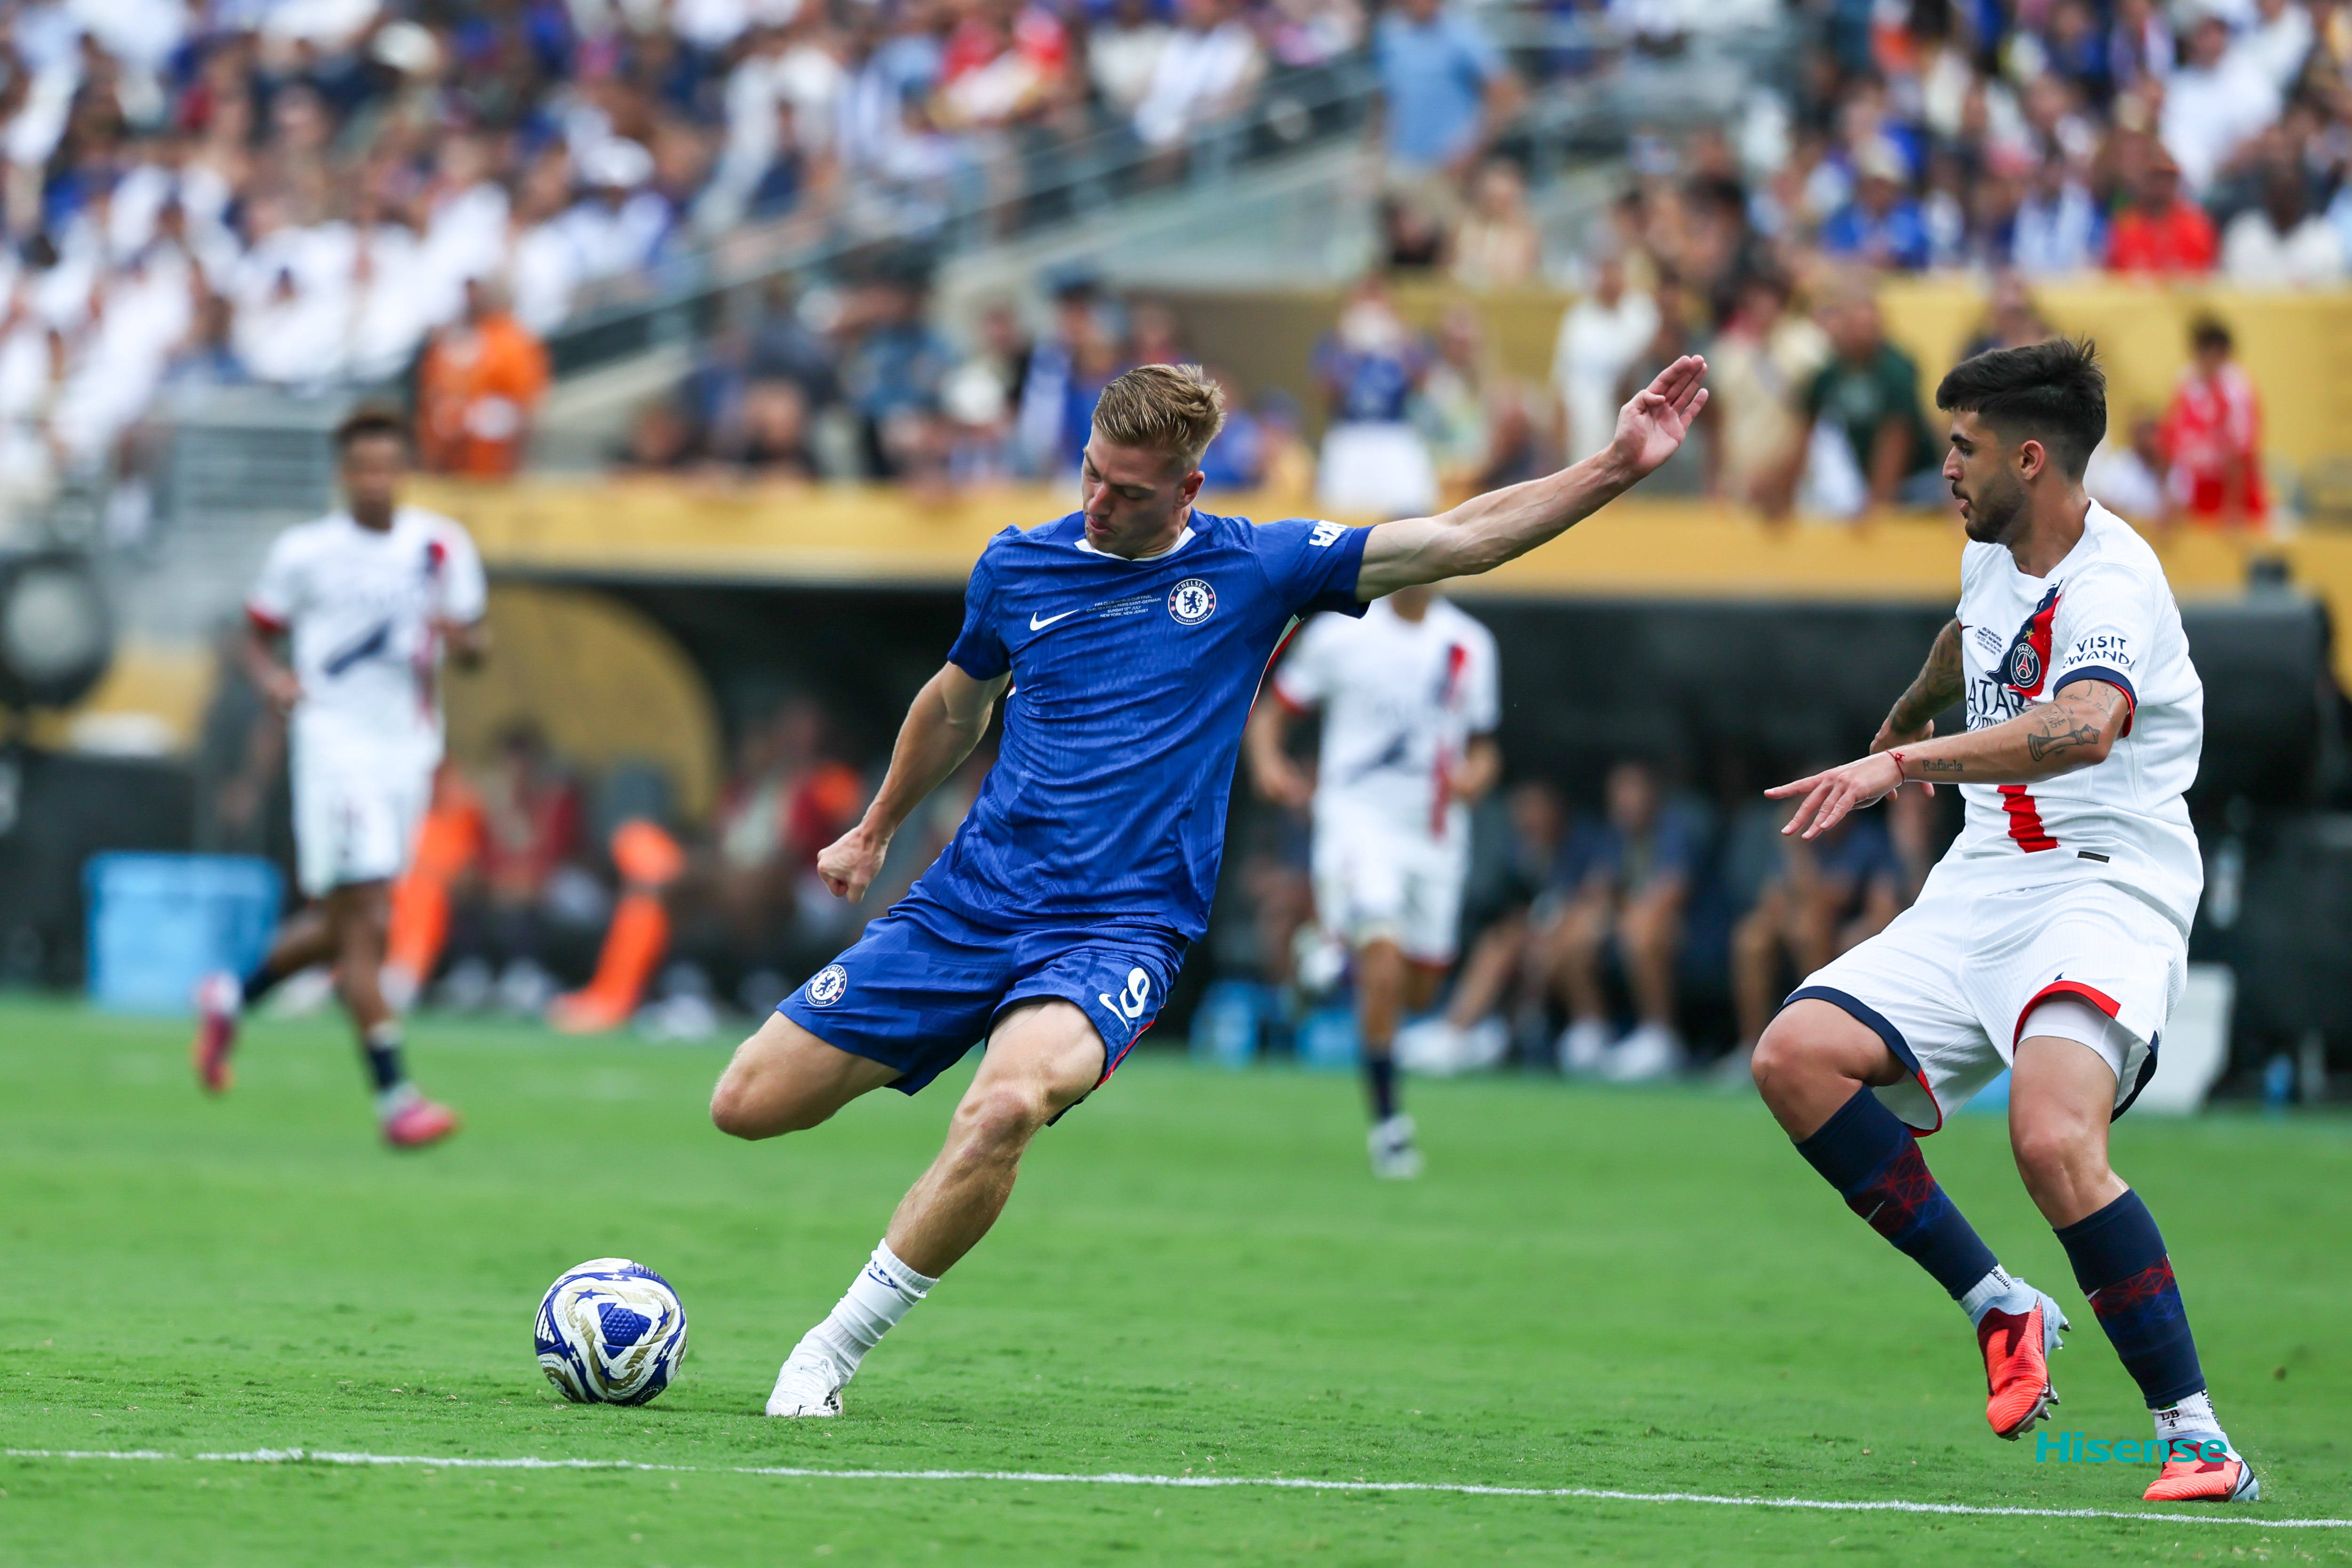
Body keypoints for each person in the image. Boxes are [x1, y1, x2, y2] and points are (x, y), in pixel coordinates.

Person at [707, 354, 1708, 1418]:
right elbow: (956, 705)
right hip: (972, 902)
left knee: (1005, 1107)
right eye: (1091, 473)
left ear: (1188, 489)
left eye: (1128, 490)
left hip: (1119, 929)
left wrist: (1612, 466)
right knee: (747, 1105)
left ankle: (827, 1353)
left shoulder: (1261, 568)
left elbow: (1455, 538)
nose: (1097, 501)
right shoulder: (1017, 567)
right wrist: (875, 829)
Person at [1752, 339, 2256, 1505]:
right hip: (1988, 880)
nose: (1944, 467)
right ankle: (2000, 1305)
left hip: (2104, 882)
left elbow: (2083, 725)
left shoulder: (2114, 583)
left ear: (2031, 459)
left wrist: (1904, 767)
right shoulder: (1996, 553)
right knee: (1794, 1057)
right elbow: (1962, 644)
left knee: (2049, 1139)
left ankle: (2195, 1437)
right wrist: (1897, 728)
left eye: (1962, 448)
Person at [192, 409, 485, 1149]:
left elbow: (476, 641)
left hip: (408, 752)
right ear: (342, 474)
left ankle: (231, 994)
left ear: (405, 470)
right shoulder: (307, 551)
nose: (376, 480)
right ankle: (397, 1099)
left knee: (344, 921)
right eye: (363, 468)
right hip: (333, 745)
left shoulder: (442, 546)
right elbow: (253, 633)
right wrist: (272, 682)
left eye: (389, 466)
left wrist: (463, 639)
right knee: (366, 923)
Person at [1244, 583, 1501, 1177]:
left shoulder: (1469, 644)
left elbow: (1485, 747)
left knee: (1417, 992)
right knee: (1381, 959)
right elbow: (1275, 710)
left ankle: (1326, 954)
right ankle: (1389, 1126)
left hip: (1434, 837)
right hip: (1357, 822)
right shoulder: (1341, 635)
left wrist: (1475, 778)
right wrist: (1269, 764)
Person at [2159, 317, 2265, 528]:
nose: (2208, 361)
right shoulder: (2186, 384)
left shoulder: (2236, 390)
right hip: (2196, 490)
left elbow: (2240, 452)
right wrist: (2170, 497)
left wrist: (2234, 506)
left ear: (2224, 355)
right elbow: (2175, 446)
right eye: (2203, 353)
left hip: (2230, 490)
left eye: (2215, 355)